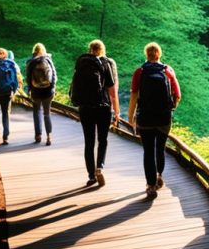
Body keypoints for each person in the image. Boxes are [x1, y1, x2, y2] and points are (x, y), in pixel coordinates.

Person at [128, 42, 180, 198]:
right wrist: (171, 108)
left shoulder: (140, 72)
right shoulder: (167, 71)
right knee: (160, 148)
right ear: (159, 54)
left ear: (147, 54)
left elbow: (134, 96)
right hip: (164, 117)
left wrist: (131, 117)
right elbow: (177, 95)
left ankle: (150, 185)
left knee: (148, 151)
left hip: (145, 118)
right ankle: (159, 175)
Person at [70, 40, 119, 187]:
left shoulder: (81, 62)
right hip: (103, 107)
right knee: (102, 140)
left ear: (90, 50)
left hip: (85, 107)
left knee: (89, 142)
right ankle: (99, 168)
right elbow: (112, 91)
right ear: (103, 50)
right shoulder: (105, 63)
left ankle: (91, 175)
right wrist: (116, 111)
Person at [26, 43, 57, 145]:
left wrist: (30, 89)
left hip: (36, 91)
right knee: (47, 113)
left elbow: (28, 78)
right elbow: (54, 77)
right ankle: (49, 136)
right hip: (48, 91)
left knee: (36, 112)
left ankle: (38, 135)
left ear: (34, 51)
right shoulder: (48, 60)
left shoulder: (31, 62)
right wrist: (52, 88)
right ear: (43, 50)